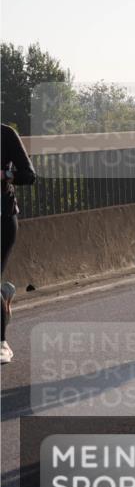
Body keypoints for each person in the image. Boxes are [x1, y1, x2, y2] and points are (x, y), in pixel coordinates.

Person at [1, 123, 36, 364]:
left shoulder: (5, 134)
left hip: (2, 219)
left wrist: (4, 175)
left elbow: (29, 175)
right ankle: (3, 295)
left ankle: (2, 343)